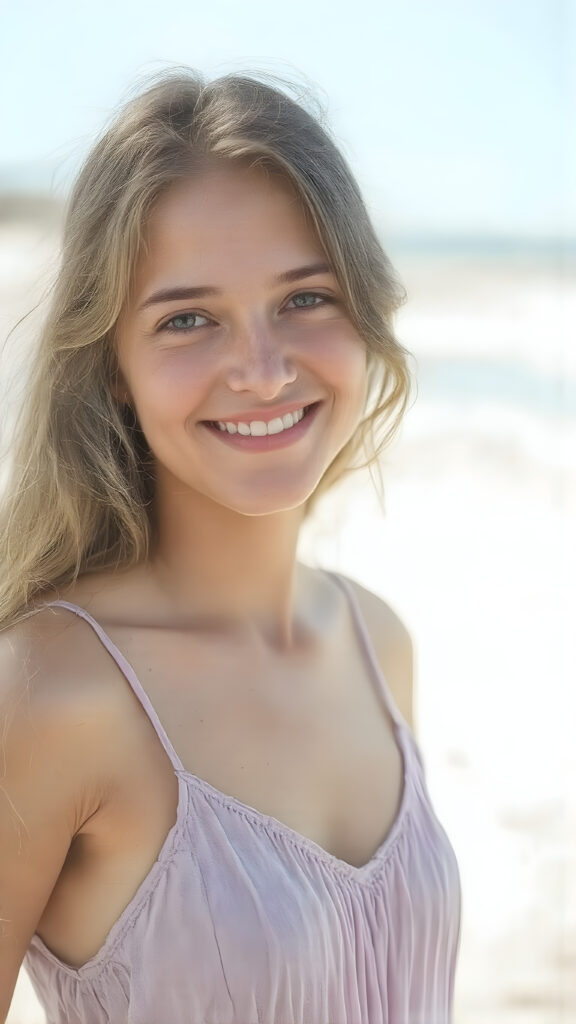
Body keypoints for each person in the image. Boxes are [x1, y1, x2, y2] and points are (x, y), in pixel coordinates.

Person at [0, 68, 461, 1024]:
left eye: (305, 299)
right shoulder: (52, 692)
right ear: (113, 369)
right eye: (187, 319)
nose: (260, 370)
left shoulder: (380, 643)